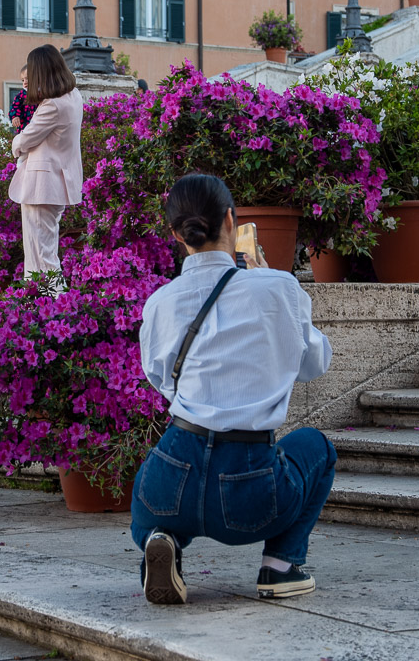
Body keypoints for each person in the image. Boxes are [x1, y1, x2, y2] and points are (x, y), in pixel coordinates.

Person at [132, 173, 335, 605]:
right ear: (230, 219)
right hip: (250, 492)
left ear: (175, 234)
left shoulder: (160, 302)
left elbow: (160, 379)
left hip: (174, 474)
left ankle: (162, 538)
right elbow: (315, 364)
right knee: (317, 448)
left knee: (149, 512)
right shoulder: (278, 287)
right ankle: (280, 566)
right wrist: (275, 288)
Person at [8, 45, 83, 282]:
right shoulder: (73, 96)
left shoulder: (52, 105)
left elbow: (26, 139)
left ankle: (52, 307)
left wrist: (15, 142)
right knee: (41, 253)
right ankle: (40, 306)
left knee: (41, 255)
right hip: (52, 184)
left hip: (42, 185)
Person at [8, 65, 36, 131]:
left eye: (28, 78)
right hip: (25, 128)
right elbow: (14, 107)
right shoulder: (21, 95)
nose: (25, 82)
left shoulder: (43, 94)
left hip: (38, 127)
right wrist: (15, 116)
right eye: (23, 80)